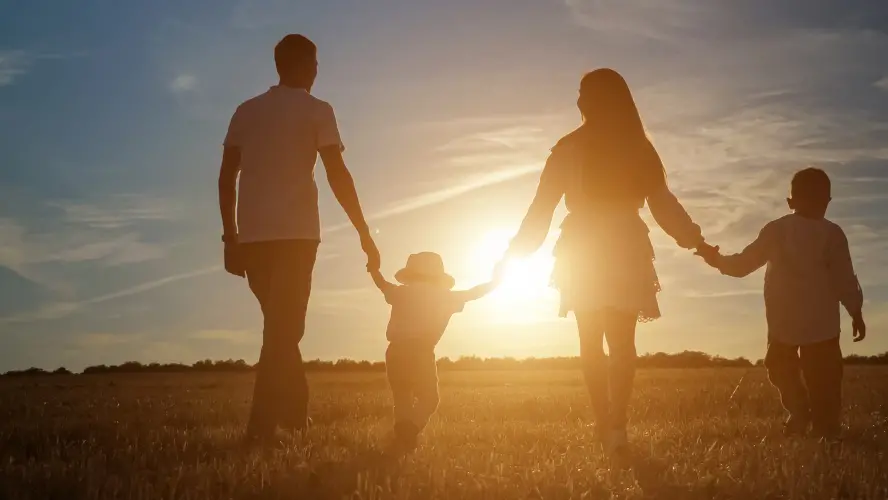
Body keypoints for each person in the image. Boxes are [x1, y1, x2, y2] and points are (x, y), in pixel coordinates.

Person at [504, 68, 712, 453]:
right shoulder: (636, 147)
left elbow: (541, 209)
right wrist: (695, 240)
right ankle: (614, 424)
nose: (579, 100)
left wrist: (515, 252)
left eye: (584, 92)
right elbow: (664, 206)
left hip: (587, 245)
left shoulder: (570, 149)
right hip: (618, 244)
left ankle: (607, 422)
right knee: (619, 343)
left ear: (601, 99)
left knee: (594, 341)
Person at [217, 34, 380, 443]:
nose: (317, 70)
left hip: (253, 238)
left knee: (281, 330)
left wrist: (231, 237)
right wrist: (364, 231)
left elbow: (226, 178)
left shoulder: (246, 110)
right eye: (316, 63)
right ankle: (260, 431)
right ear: (307, 66)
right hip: (296, 237)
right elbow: (337, 173)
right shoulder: (318, 110)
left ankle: (294, 417)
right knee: (282, 332)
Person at [696, 168, 865, 441]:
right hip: (819, 325)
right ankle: (822, 425)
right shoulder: (830, 233)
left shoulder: (779, 230)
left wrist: (715, 259)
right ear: (828, 201)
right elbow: (844, 277)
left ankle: (803, 413)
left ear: (790, 201)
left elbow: (743, 264)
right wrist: (855, 310)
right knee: (823, 379)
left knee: (784, 370)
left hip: (785, 323)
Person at [369, 252, 499, 452]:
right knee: (429, 399)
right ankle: (409, 431)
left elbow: (382, 284)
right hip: (421, 351)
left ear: (410, 274)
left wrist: (373, 269)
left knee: (402, 397)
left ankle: (403, 437)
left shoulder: (400, 292)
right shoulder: (444, 296)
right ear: (439, 275)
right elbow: (474, 293)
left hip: (394, 351)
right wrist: (496, 281)